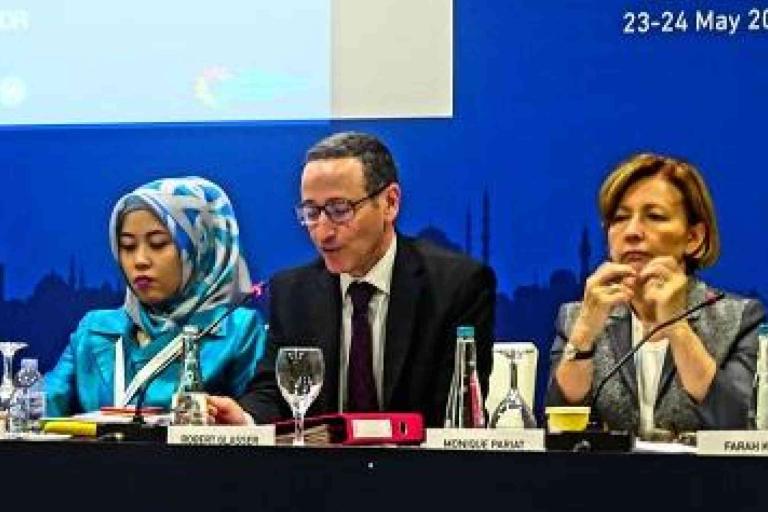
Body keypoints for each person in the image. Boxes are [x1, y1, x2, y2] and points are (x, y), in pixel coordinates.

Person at [209, 132, 496, 427]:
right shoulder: (294, 292)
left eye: (339, 210)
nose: (322, 232)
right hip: (322, 469)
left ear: (390, 203)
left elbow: (455, 407)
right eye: (311, 212)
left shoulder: (456, 286)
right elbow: (274, 394)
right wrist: (244, 418)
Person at [546, 153, 765, 435]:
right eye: (620, 218)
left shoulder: (738, 319)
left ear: (694, 238)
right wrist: (585, 332)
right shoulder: (576, 318)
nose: (633, 231)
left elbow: (741, 424)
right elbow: (559, 423)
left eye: (655, 217)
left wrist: (676, 326)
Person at [46, 177, 266, 416]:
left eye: (158, 244)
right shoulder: (94, 329)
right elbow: (45, 400)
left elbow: (251, 425)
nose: (140, 260)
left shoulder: (238, 330)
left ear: (200, 246)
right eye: (128, 247)